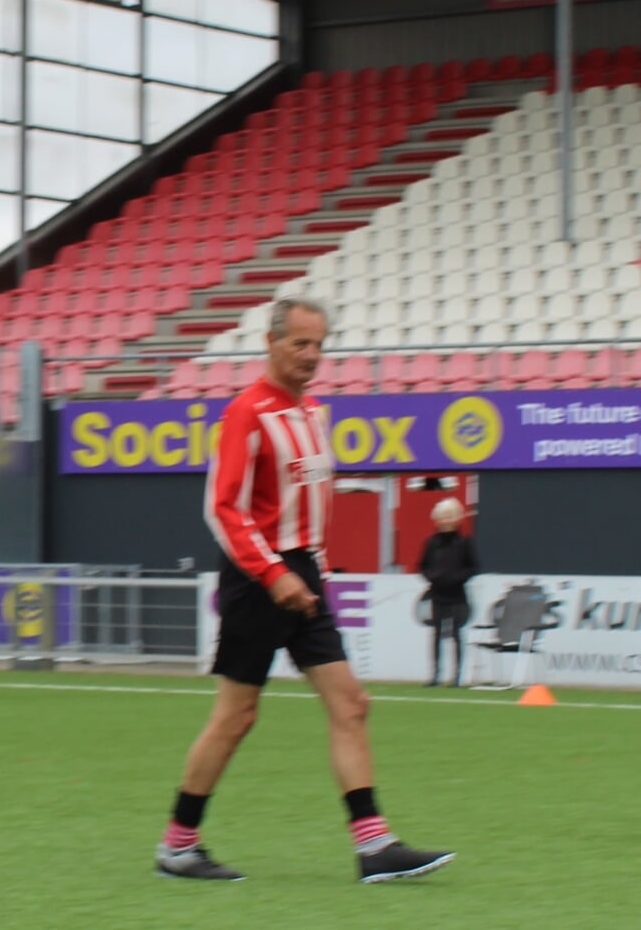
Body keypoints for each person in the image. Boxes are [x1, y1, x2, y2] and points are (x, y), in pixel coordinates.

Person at [155, 297, 454, 885]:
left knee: (351, 703)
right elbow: (224, 510)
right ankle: (177, 846)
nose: (312, 356)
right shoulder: (246, 414)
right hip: (258, 580)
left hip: (303, 577)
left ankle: (374, 846)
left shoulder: (314, 413)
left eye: (319, 345)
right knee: (237, 716)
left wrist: (312, 568)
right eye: (300, 344)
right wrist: (274, 573)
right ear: (271, 343)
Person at [418, 496, 479, 688]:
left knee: (455, 634)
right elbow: (422, 566)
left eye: (449, 516)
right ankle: (435, 674)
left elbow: (473, 567)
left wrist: (458, 577)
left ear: (457, 518)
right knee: (436, 634)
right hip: (437, 594)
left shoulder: (464, 542)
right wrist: (433, 577)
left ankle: (457, 676)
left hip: (457, 595)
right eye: (442, 517)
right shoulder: (431, 542)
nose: (446, 521)